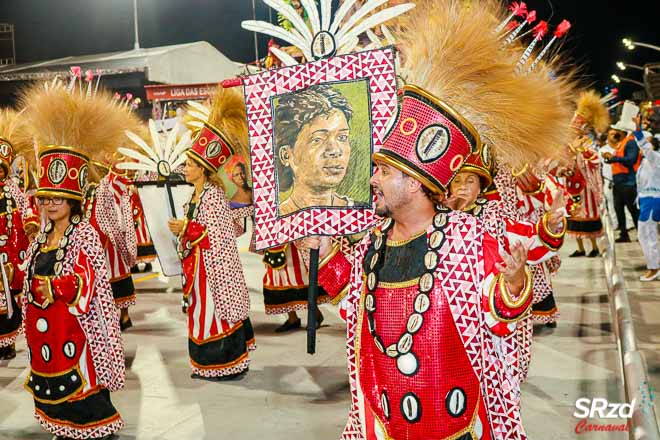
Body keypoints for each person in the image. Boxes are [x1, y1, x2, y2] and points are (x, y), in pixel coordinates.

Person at [306, 0, 577, 436]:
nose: (372, 179)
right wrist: (320, 251)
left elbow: (500, 315)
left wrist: (512, 282)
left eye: (384, 171)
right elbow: (344, 293)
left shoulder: (468, 238)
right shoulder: (374, 242)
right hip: (385, 425)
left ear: (414, 184)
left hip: (457, 424)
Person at [20, 82, 126, 439]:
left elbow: (89, 279)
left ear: (73, 202)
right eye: (46, 198)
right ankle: (61, 425)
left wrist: (56, 286)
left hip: (77, 328)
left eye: (58, 200)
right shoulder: (41, 236)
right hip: (46, 328)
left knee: (80, 378)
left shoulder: (85, 234)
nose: (50, 205)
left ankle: (89, 426)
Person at [168, 87, 255, 381]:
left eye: (190, 165)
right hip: (198, 271)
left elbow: (217, 235)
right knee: (199, 314)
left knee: (214, 314)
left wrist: (187, 229)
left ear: (203, 170)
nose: (186, 169)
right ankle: (204, 363)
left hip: (213, 274)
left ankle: (224, 362)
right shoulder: (194, 196)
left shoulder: (214, 196)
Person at [275, 84, 355, 216]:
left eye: (342, 137)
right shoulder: (272, 223)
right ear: (286, 155)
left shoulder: (366, 214)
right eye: (318, 139)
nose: (335, 150)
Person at [0, 110, 38, 360]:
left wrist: (31, 226)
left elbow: (27, 212)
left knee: (8, 300)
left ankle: (7, 343)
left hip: (8, 254)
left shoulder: (13, 190)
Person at [565, 91, 609, 256]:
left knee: (588, 216)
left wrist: (582, 153)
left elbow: (595, 160)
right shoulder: (570, 145)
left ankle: (594, 247)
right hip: (571, 185)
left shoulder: (587, 143)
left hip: (586, 188)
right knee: (574, 215)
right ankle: (580, 248)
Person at [603, 104, 641, 242]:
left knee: (632, 209)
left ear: (623, 131)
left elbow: (630, 160)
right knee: (619, 209)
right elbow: (619, 160)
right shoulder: (622, 143)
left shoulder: (630, 143)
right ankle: (624, 233)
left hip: (628, 181)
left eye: (617, 130)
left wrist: (614, 158)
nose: (615, 132)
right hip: (619, 182)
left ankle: (640, 232)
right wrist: (611, 160)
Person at [633, 117, 660, 281]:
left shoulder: (655, 157)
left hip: (652, 201)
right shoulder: (647, 161)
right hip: (647, 200)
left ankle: (653, 268)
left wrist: (637, 130)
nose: (642, 146)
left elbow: (645, 147)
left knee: (646, 234)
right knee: (648, 235)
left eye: (647, 142)